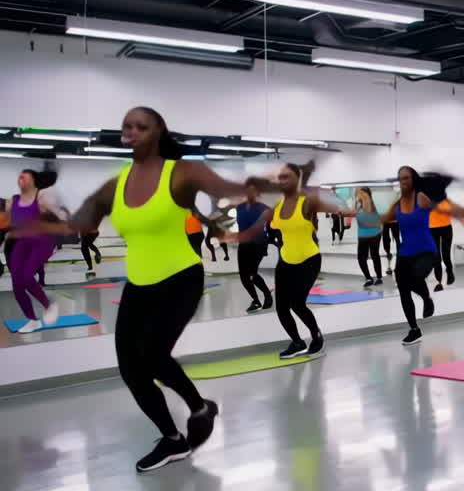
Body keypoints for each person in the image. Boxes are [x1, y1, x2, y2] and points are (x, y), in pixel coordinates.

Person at [15, 106, 281, 471]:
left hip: (180, 278)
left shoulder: (182, 171)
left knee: (154, 356)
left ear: (159, 132)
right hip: (139, 284)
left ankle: (199, 409)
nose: (132, 131)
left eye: (141, 126)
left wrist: (275, 183)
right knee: (131, 370)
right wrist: (41, 223)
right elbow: (82, 220)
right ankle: (174, 438)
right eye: (127, 126)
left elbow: (229, 190)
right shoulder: (117, 182)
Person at [236, 163, 350, 359]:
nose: (282, 181)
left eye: (287, 176)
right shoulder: (279, 205)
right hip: (286, 260)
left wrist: (346, 210)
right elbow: (268, 224)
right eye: (280, 177)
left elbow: (336, 208)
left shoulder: (307, 202)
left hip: (308, 260)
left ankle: (316, 337)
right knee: (281, 307)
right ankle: (297, 342)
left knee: (297, 304)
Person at [381, 168, 464, 344]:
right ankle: (414, 329)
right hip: (405, 253)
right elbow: (383, 219)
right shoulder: (397, 205)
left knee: (417, 277)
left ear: (414, 180)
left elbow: (444, 208)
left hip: (425, 250)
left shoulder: (421, 198)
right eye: (401, 178)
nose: (403, 181)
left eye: (407, 178)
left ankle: (427, 297)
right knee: (404, 290)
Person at [8, 168, 62, 333]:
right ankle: (32, 320)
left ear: (33, 181)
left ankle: (49, 305)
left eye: (25, 177)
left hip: (42, 242)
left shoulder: (42, 197)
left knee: (26, 277)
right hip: (23, 241)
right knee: (17, 284)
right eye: (19, 177)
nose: (21, 180)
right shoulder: (14, 200)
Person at [233, 184, 274, 313]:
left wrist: (272, 239)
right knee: (243, 276)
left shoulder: (263, 208)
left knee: (252, 273)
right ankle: (255, 300)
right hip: (244, 243)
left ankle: (267, 295)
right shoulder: (239, 206)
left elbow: (272, 225)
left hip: (258, 243)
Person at [353, 187, 384, 287]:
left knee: (374, 254)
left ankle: (379, 277)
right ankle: (368, 278)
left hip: (374, 233)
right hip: (362, 235)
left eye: (362, 193)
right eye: (359, 193)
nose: (360, 195)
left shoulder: (373, 204)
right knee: (361, 257)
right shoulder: (358, 205)